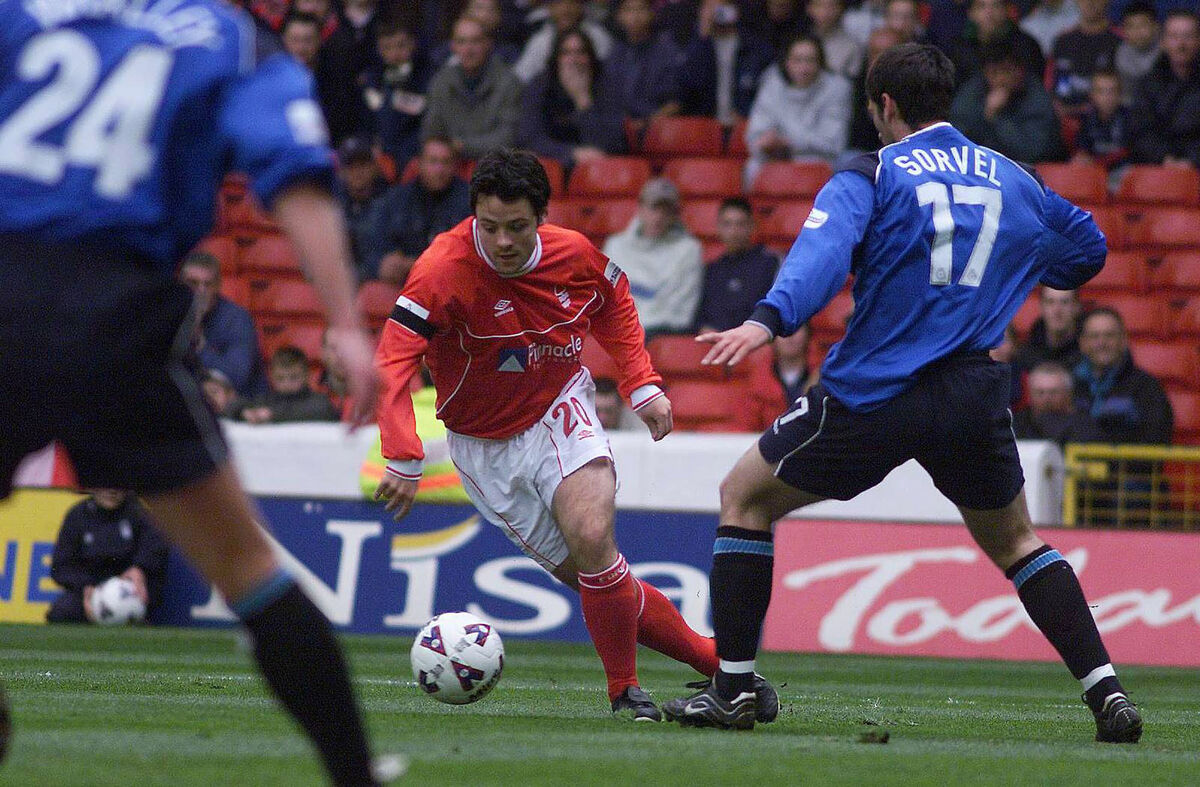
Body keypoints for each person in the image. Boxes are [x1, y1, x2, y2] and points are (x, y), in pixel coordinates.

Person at [663, 43, 1142, 746]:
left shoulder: (874, 171)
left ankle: (732, 689)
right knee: (1015, 539)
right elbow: (1088, 248)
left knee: (745, 496)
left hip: (876, 394)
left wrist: (770, 318)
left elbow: (822, 257)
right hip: (974, 393)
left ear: (884, 106)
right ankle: (1108, 693)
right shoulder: (1013, 176)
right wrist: (1019, 267)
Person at [0, 4, 389, 784]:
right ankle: (354, 774)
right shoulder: (226, 36)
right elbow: (296, 176)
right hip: (112, 312)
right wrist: (346, 323)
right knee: (245, 563)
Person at [373, 149, 778, 723]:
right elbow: (393, 362)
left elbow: (614, 300)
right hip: (486, 447)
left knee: (592, 533)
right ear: (474, 219)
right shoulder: (440, 269)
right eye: (489, 228)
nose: (504, 241)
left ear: (540, 217)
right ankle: (725, 668)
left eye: (517, 227)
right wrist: (404, 454)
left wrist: (642, 383)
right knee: (599, 575)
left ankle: (624, 691)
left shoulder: (573, 252)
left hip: (559, 406)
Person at [743, 34, 853, 186]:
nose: (804, 68)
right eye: (797, 60)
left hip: (819, 161)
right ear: (787, 62)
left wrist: (789, 142)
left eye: (810, 60)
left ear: (820, 63)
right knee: (753, 167)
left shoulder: (838, 88)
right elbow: (754, 138)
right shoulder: (771, 84)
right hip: (776, 158)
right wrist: (766, 143)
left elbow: (834, 144)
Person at [47, 490, 170, 624]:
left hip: (130, 588)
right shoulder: (77, 515)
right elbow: (60, 567)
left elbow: (157, 546)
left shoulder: (139, 513)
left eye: (117, 485)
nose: (112, 491)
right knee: (59, 613)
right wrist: (85, 585)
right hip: (90, 590)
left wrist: (139, 568)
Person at [602, 178, 704, 337]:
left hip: (662, 335)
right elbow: (607, 299)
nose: (659, 216)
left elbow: (680, 312)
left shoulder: (688, 250)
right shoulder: (615, 246)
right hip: (619, 332)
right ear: (640, 209)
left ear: (674, 215)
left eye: (666, 210)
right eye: (654, 208)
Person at [517, 27, 628, 170]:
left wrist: (583, 101)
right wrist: (571, 153)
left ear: (590, 57)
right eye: (566, 53)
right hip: (551, 168)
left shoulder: (607, 86)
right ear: (556, 58)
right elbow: (528, 138)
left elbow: (613, 144)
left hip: (599, 170)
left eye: (581, 52)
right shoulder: (539, 86)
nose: (574, 60)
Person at [369, 136, 472, 285]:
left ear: (454, 166)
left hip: (452, 283)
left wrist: (412, 264)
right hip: (402, 283)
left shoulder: (469, 201)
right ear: (419, 164)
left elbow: (466, 254)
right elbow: (376, 244)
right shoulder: (397, 199)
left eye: (446, 162)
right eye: (433, 161)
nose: (439, 170)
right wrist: (384, 262)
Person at [421, 14, 524, 160]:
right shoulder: (441, 81)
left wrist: (462, 146)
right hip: (450, 165)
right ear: (453, 46)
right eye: (461, 42)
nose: (468, 50)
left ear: (488, 43)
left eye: (475, 41)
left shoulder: (509, 83)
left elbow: (508, 138)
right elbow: (431, 132)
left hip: (495, 166)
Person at [949, 40, 1063, 163]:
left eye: (1007, 71)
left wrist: (997, 118)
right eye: (994, 73)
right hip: (981, 168)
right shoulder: (973, 92)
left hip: (1027, 171)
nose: (1001, 78)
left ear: (1021, 70)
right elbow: (956, 141)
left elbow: (1032, 152)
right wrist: (983, 116)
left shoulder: (1037, 98)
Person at [1073, 308, 1173, 445]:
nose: (1102, 343)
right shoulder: (1069, 385)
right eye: (1094, 336)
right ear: (1082, 343)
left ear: (1123, 341)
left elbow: (1156, 439)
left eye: (1109, 335)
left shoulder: (1147, 388)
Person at [178, 252, 269, 399]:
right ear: (180, 283)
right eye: (193, 283)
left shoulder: (236, 318)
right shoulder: (168, 315)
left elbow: (237, 377)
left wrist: (199, 346)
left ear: (218, 286)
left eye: (208, 284)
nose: (201, 291)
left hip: (242, 408)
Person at [694, 198, 780, 333]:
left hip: (755, 342)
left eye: (740, 224)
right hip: (715, 345)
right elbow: (700, 318)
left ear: (751, 226)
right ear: (718, 227)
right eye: (727, 224)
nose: (734, 231)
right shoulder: (712, 270)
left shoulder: (769, 264)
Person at [1127, 10, 1200, 168]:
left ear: (1198, 40)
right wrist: (1165, 159)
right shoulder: (1148, 84)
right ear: (1163, 41)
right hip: (1158, 170)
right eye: (1174, 36)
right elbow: (1140, 133)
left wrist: (1192, 161)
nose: (1181, 44)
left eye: (1188, 36)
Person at [604, 0, 684, 137]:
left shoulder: (667, 50)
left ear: (652, 14)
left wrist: (646, 124)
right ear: (619, 16)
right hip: (618, 132)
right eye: (628, 10)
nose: (635, 16)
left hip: (659, 132)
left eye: (641, 9)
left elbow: (675, 104)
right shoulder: (615, 53)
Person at [361, 21, 432, 174]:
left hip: (415, 157)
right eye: (387, 47)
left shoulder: (428, 78)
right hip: (379, 158)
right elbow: (365, 124)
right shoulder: (372, 80)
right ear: (379, 50)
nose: (394, 53)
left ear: (412, 44)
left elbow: (427, 124)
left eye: (400, 46)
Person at [1047, 0, 1120, 116]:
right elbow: (1049, 83)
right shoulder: (1062, 40)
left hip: (1102, 120)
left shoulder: (1119, 41)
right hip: (1060, 118)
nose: (1090, 2)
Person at [514, 0, 614, 83]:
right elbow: (521, 77)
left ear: (581, 7)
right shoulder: (541, 40)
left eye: (572, 3)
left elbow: (610, 77)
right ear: (549, 8)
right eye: (558, 4)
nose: (565, 10)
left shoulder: (598, 37)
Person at [237, 346, 341, 424]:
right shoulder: (265, 400)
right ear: (271, 377)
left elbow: (320, 411)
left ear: (307, 375)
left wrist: (273, 415)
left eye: (294, 377)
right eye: (280, 378)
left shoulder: (319, 402)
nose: (287, 383)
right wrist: (244, 413)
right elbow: (230, 408)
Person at [335, 137, 390, 282]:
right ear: (341, 172)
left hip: (377, 283)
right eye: (351, 166)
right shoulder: (333, 204)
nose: (357, 172)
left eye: (363, 165)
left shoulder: (392, 203)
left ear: (374, 167)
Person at [1013, 361, 1103, 444]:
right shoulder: (1016, 425)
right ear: (1030, 394)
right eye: (1040, 392)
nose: (1046, 398)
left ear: (1068, 394)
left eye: (1053, 392)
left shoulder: (1084, 427)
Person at [1015, 286, 1083, 372]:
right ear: (1041, 307)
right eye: (1050, 302)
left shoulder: (1088, 353)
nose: (1057, 310)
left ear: (1076, 307)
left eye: (1064, 302)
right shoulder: (1025, 356)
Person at [1072, 70, 1129, 169]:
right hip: (1093, 173)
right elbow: (1082, 151)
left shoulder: (1131, 119)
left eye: (1112, 91)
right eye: (1101, 91)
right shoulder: (1085, 120)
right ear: (1092, 95)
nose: (1107, 97)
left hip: (1124, 174)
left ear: (1120, 95)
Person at [1115, 2, 1159, 104]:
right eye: (1131, 26)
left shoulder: (1168, 50)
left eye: (1143, 25)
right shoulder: (1119, 53)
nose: (1138, 31)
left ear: (1156, 27)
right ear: (1124, 30)